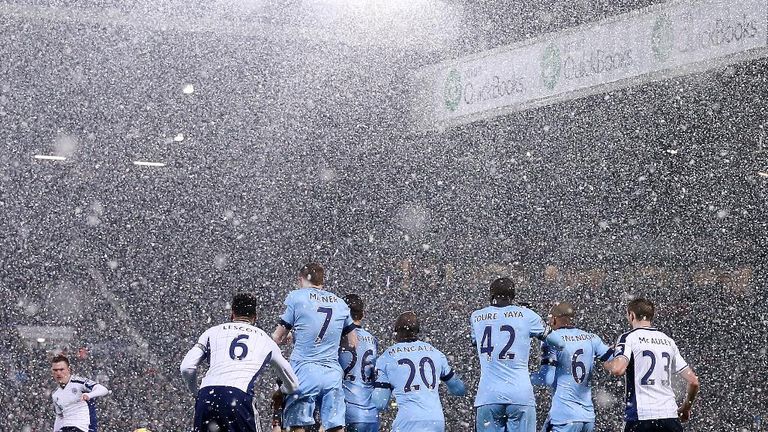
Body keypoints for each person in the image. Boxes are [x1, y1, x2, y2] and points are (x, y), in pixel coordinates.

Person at [181, 292, 299, 432]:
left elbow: (186, 367)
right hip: (238, 397)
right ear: (255, 317)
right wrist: (283, 391)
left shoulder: (212, 332)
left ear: (232, 314)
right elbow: (293, 384)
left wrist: (197, 392)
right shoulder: (265, 339)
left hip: (207, 396)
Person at [470, 277, 563, 432]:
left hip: (488, 394)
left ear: (491, 295)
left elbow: (476, 342)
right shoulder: (527, 315)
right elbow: (559, 342)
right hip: (520, 394)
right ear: (513, 295)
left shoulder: (476, 316)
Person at [272, 263, 358, 432]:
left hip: (304, 371)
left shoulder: (297, 297)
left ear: (300, 280)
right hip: (332, 373)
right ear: (322, 281)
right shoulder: (340, 303)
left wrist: (287, 336)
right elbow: (353, 342)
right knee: (335, 426)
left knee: (298, 425)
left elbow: (277, 336)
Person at [603, 298, 700, 432]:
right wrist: (685, 408)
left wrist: (607, 362)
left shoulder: (629, 338)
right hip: (669, 417)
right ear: (651, 316)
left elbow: (618, 369)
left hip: (641, 416)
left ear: (631, 315)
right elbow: (693, 381)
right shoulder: (668, 341)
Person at [371, 311, 466, 432]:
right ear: (417, 331)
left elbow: (380, 403)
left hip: (407, 421)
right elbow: (459, 389)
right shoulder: (435, 353)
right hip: (436, 420)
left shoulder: (387, 357)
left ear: (396, 332)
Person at [530, 302, 614, 432]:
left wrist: (524, 377)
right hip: (588, 418)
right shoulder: (591, 338)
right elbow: (615, 360)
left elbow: (547, 378)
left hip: (564, 416)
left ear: (554, 319)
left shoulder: (552, 339)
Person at [338, 294, 379, 432]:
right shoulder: (372, 340)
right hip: (370, 414)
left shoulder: (338, 338)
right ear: (363, 314)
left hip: (346, 413)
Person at [50, 354, 110, 432]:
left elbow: (103, 389)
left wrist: (89, 395)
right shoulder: (55, 393)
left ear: (69, 370)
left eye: (61, 369)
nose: (58, 373)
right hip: (66, 428)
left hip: (83, 428)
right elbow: (60, 417)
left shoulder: (79, 383)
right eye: (55, 370)